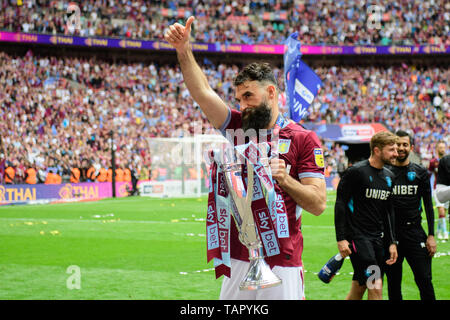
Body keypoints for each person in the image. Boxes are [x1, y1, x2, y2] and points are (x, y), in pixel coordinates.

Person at [165, 16, 326, 300]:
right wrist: (183, 49)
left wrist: (285, 179)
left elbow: (318, 204)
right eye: (239, 98)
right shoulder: (238, 127)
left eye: (249, 96)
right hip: (239, 257)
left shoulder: (303, 139)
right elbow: (202, 93)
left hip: (282, 262)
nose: (243, 105)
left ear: (271, 93)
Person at [334, 131, 398, 300]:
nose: (396, 154)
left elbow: (388, 211)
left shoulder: (389, 176)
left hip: (378, 240)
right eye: (391, 150)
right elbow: (340, 204)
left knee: (359, 287)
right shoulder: (356, 172)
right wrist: (341, 238)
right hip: (358, 239)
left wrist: (392, 242)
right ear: (377, 150)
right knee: (375, 285)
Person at [385, 130, 436, 300]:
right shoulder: (385, 173)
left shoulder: (420, 172)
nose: (400, 148)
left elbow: (428, 205)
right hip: (392, 236)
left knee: (424, 281)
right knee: (393, 284)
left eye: (404, 144)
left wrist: (431, 235)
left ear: (411, 148)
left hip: (415, 233)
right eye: (397, 144)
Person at [428, 141, 448, 240]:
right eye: (440, 147)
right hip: (437, 188)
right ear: (437, 149)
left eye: (443, 147)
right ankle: (445, 233)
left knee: (443, 211)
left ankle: (439, 230)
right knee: (441, 210)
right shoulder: (433, 162)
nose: (442, 149)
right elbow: (428, 174)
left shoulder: (448, 160)